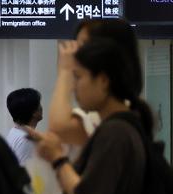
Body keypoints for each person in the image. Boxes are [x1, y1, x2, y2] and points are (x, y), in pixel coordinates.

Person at [31, 38, 152, 194]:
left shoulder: (115, 132)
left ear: (103, 80)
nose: (74, 86)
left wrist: (57, 158)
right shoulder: (123, 127)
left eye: (78, 77)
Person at [48, 19, 142, 148]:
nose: (76, 52)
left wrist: (65, 70)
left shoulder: (117, 124)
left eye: (84, 45)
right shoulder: (120, 114)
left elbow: (60, 127)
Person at [5, 88, 43, 166]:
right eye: (39, 104)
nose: (41, 107)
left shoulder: (14, 132)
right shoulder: (26, 140)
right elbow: (25, 175)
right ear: (34, 112)